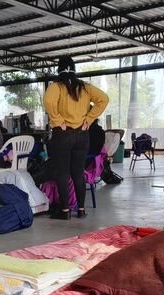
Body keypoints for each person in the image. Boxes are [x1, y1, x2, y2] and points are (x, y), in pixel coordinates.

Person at [42, 56, 109, 220]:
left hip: (63, 134)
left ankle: (65, 211)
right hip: (82, 135)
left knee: (63, 173)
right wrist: (89, 119)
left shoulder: (56, 86)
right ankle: (81, 210)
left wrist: (58, 121)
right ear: (74, 69)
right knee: (78, 173)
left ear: (59, 69)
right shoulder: (84, 87)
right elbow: (104, 99)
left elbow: (48, 101)